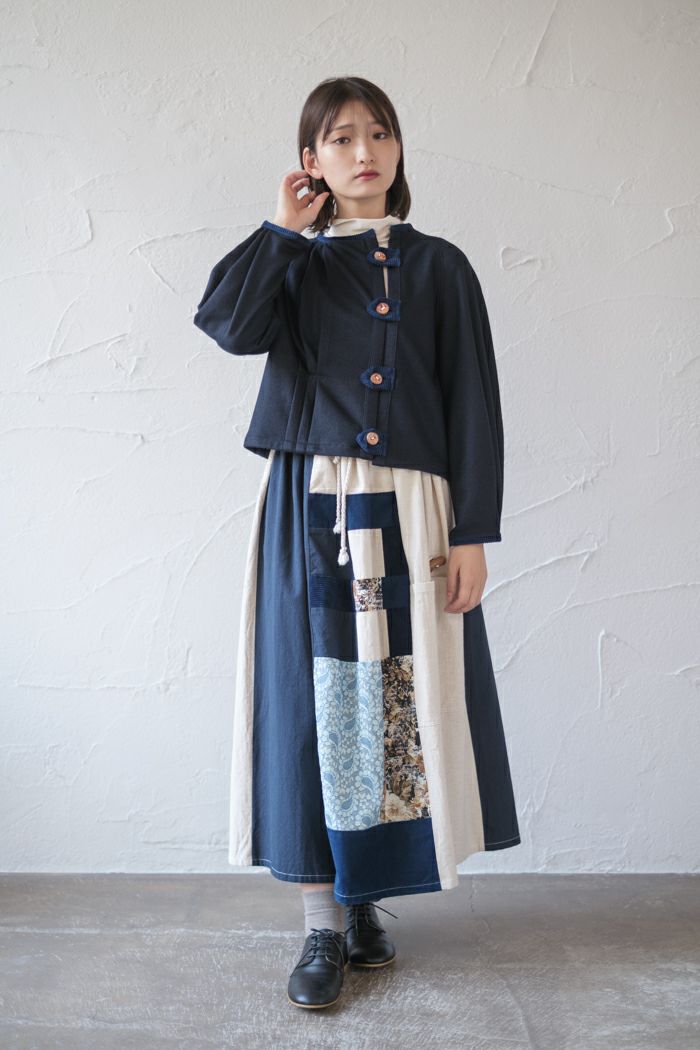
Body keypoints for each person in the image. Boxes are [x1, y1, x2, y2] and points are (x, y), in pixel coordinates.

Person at [193, 76, 521, 1010]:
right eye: (340, 138)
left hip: (412, 509)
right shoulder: (290, 261)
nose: (363, 151)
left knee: (392, 705)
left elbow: (474, 403)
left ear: (399, 148)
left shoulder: (442, 267)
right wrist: (282, 230)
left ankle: (367, 894)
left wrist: (473, 532)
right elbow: (228, 326)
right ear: (311, 161)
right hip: (309, 507)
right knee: (314, 702)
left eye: (379, 133)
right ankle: (320, 926)